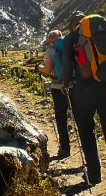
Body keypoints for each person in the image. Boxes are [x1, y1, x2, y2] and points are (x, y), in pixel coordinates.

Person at [61, 11, 106, 195]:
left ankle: (94, 174)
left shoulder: (72, 38)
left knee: (87, 130)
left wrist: (65, 83)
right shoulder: (103, 30)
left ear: (73, 24)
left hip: (84, 91)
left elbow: (67, 64)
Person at [34, 30, 71, 158]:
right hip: (74, 86)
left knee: (61, 118)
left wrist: (39, 68)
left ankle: (65, 149)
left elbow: (48, 69)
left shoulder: (50, 51)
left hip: (58, 86)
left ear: (50, 39)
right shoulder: (70, 46)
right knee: (79, 118)